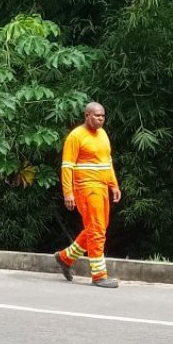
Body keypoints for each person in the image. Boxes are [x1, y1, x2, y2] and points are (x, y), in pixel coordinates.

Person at [54, 102, 122, 288]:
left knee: (96, 227)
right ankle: (99, 275)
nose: (101, 119)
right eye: (97, 115)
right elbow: (67, 166)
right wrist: (68, 193)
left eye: (103, 116)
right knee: (97, 229)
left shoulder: (103, 134)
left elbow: (107, 162)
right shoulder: (76, 136)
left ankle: (65, 257)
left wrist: (113, 185)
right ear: (87, 116)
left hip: (102, 187)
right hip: (86, 187)